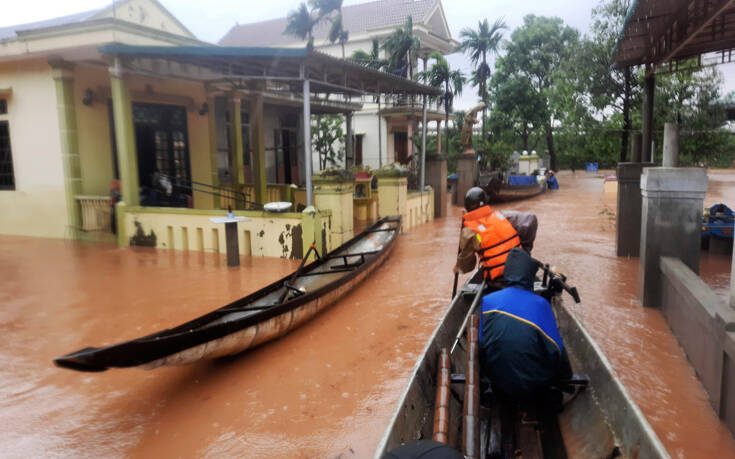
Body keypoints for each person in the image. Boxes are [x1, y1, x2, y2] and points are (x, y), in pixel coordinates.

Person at [480, 247, 572, 401]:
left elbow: (481, 343)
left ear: (507, 272)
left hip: (497, 383)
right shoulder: (541, 304)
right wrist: (565, 379)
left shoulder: (487, 301)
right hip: (534, 387)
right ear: (530, 276)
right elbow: (557, 350)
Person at [454, 187, 538, 281]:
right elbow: (530, 219)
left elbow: (466, 266)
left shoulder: (469, 230)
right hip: (521, 268)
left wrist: (458, 268)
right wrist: (526, 251)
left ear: (467, 207)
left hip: (498, 278)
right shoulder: (502, 216)